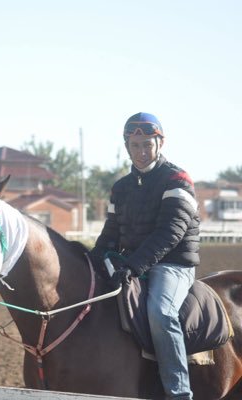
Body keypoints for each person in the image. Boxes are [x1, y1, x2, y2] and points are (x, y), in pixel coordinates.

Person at [90, 112, 199, 400]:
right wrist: (93, 257)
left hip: (173, 265)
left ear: (159, 144)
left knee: (160, 313)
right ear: (127, 146)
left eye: (147, 144)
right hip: (132, 262)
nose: (141, 151)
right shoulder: (121, 187)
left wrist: (134, 265)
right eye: (135, 145)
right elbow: (111, 231)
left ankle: (179, 392)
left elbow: (170, 233)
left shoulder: (177, 179)